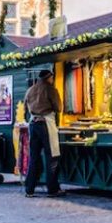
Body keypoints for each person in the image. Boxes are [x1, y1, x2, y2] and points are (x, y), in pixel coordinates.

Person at [24, 69, 66, 198]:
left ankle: (29, 189)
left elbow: (26, 107)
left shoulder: (30, 90)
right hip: (46, 123)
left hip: (33, 124)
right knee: (52, 156)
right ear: (50, 78)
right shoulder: (50, 89)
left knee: (34, 157)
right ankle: (52, 189)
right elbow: (58, 108)